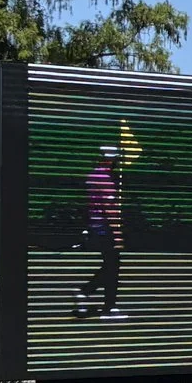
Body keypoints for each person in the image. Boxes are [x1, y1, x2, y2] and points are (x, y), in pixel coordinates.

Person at [70, 128, 137, 319]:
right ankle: (107, 306)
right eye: (115, 160)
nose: (117, 163)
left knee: (111, 265)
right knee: (113, 265)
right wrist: (117, 233)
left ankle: (86, 293)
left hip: (95, 226)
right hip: (105, 228)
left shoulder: (93, 176)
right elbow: (110, 209)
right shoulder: (104, 179)